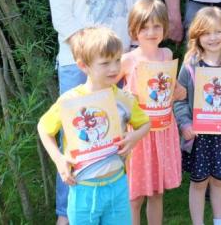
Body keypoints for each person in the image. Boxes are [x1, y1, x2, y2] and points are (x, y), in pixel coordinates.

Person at [48, 0, 147, 224]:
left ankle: (117, 204)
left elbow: (139, 3)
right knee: (76, 137)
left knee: (117, 133)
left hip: (122, 62)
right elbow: (63, 17)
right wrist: (92, 62)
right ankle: (67, 213)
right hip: (79, 64)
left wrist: (133, 53)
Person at [38, 27, 151, 225]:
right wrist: (59, 160)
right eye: (105, 63)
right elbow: (44, 128)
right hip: (84, 189)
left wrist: (134, 138)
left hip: (118, 186)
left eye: (117, 60)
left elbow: (145, 123)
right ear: (84, 65)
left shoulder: (124, 98)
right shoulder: (70, 101)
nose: (114, 68)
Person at [173, 7, 221, 225]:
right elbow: (179, 99)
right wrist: (184, 124)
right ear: (197, 36)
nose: (213, 37)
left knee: (219, 181)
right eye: (206, 33)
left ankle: (219, 221)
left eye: (218, 32)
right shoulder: (190, 66)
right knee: (198, 183)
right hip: (199, 138)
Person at [119, 0, 187, 225]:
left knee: (157, 192)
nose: (151, 32)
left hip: (163, 132)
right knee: (135, 195)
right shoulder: (128, 60)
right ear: (133, 30)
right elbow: (109, 92)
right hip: (139, 136)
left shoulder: (166, 55)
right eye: (144, 27)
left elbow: (172, 87)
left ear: (164, 28)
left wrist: (179, 91)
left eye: (156, 26)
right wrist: (127, 99)